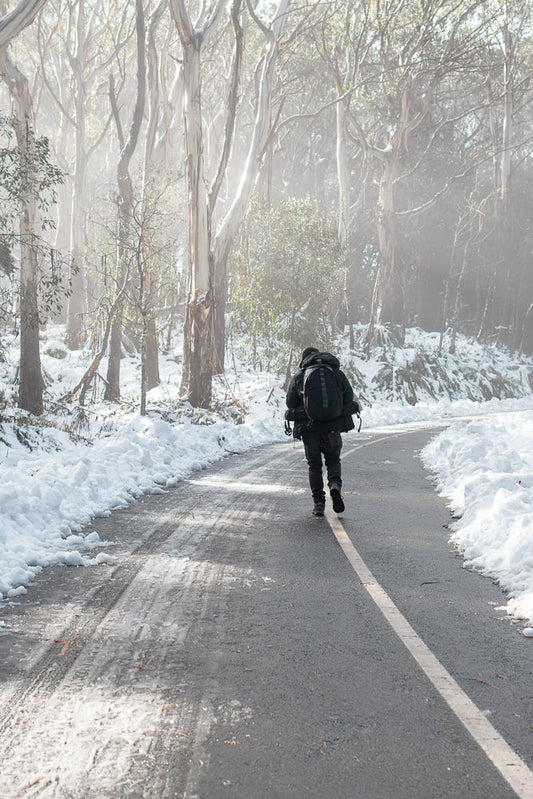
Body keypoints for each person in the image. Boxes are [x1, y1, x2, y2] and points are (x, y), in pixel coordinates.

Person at [285, 347, 360, 517]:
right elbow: (349, 398)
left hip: (309, 430)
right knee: (333, 461)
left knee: (314, 465)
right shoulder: (335, 373)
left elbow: (290, 403)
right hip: (332, 427)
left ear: (304, 360)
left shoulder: (299, 376)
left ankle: (319, 503)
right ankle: (334, 485)